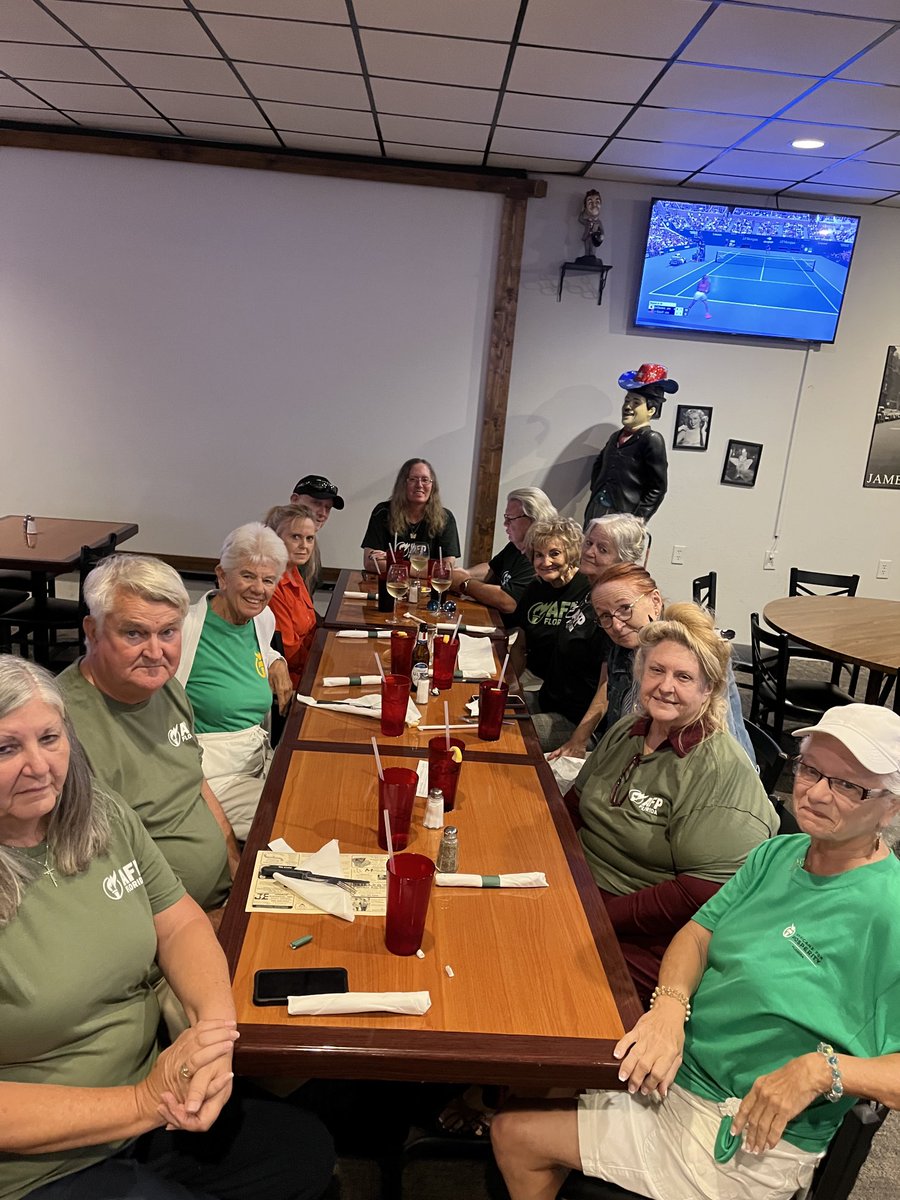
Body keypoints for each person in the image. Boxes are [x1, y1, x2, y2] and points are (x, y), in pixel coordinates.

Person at [492, 702, 900, 1200]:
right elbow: (698, 934)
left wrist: (823, 1070)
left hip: (747, 1134)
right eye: (812, 769)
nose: (816, 793)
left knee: (514, 1133)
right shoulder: (779, 853)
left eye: (848, 786)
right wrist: (669, 1004)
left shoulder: (889, 910)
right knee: (547, 1068)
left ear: (892, 805)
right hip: (679, 1075)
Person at [0, 656, 334, 1200]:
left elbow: (179, 922)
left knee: (302, 1151)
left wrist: (214, 1033)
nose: (38, 765)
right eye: (6, 748)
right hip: (40, 1164)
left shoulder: (96, 812)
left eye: (49, 737)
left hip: (150, 1096)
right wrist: (141, 1103)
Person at [570, 600, 775, 1003]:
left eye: (684, 677)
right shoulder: (629, 729)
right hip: (578, 889)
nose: (665, 686)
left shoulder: (718, 769)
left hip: (644, 933)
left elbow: (698, 893)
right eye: (657, 670)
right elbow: (574, 805)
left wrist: (592, 917)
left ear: (709, 689)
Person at [58, 555, 236, 918]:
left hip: (222, 902)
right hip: (166, 930)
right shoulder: (60, 729)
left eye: (168, 632)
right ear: (92, 631)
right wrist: (201, 926)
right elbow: (93, 878)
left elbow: (196, 783)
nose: (156, 653)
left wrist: (238, 867)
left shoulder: (165, 688)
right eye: (134, 633)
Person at [175, 523, 291, 842]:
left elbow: (258, 650)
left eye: (268, 580)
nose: (259, 588)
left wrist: (275, 660)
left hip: (256, 762)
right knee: (289, 816)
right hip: (209, 776)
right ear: (222, 576)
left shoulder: (261, 619)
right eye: (248, 576)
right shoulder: (184, 630)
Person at [512, 518, 608, 755]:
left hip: (577, 716)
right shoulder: (534, 589)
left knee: (510, 736)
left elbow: (608, 682)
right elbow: (520, 643)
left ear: (571, 552)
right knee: (483, 710)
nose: (546, 562)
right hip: (548, 695)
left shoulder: (589, 592)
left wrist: (579, 739)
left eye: (555, 553)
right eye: (538, 555)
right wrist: (511, 683)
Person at [449, 487, 556, 626]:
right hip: (493, 619)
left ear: (533, 519)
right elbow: (492, 568)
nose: (505, 524)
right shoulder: (516, 545)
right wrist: (467, 572)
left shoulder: (541, 556)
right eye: (506, 518)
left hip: (513, 631)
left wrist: (465, 584)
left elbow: (508, 602)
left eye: (511, 519)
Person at [584, 363, 675, 525]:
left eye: (635, 402)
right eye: (627, 401)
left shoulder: (651, 440)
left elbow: (657, 488)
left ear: (651, 410)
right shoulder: (614, 437)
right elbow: (599, 465)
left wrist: (637, 519)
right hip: (596, 508)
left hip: (623, 515)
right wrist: (597, 490)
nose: (627, 406)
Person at [361, 458, 460, 574]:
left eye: (425, 480)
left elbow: (447, 567)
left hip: (427, 588)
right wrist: (427, 569)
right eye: (413, 479)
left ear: (432, 485)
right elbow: (370, 563)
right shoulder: (382, 512)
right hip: (391, 586)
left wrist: (394, 563)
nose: (419, 485)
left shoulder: (445, 518)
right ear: (403, 483)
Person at [264, 505, 319, 690]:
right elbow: (289, 653)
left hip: (309, 669)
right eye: (296, 537)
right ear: (275, 539)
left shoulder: (293, 571)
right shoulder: (271, 585)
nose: (304, 546)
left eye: (309, 538)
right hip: (294, 683)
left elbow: (311, 628)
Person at [289, 474, 344, 595]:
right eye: (316, 503)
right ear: (294, 500)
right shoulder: (270, 545)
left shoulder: (313, 544)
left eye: (328, 507)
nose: (323, 513)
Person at [578, 514, 646, 585]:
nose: (588, 552)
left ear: (623, 562)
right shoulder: (579, 580)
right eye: (589, 543)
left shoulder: (619, 594)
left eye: (602, 550)